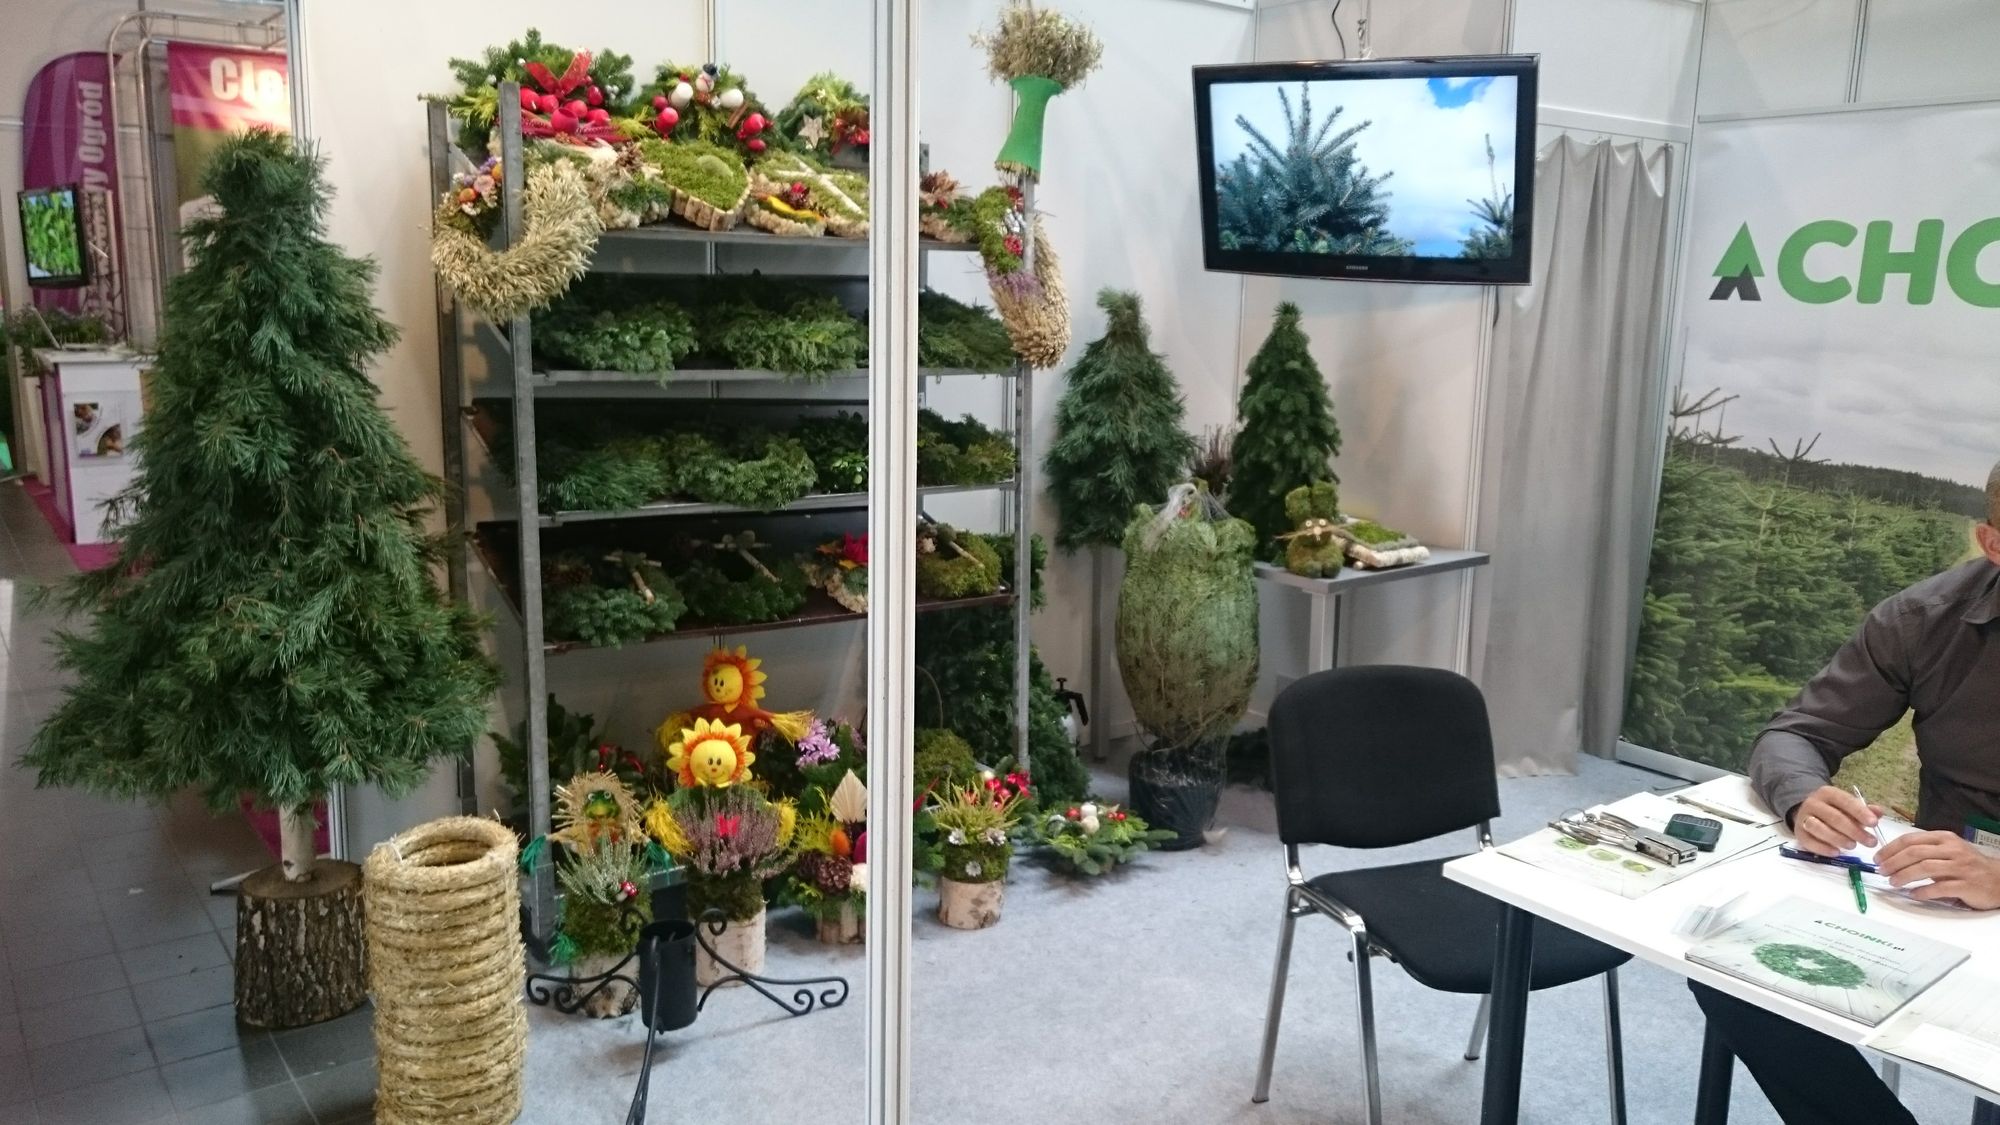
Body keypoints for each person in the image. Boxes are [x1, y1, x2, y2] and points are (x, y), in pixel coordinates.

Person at [1688, 458, 2000, 1125]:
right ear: (1993, 544)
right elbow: (1796, 734)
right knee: (1737, 975)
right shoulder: (1924, 619)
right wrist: (1804, 797)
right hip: (1937, 896)